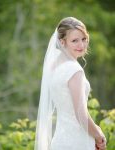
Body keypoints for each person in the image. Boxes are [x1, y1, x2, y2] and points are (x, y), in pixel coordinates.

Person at [34, 17, 107, 150]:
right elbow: (80, 113)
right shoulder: (74, 70)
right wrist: (98, 135)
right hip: (77, 141)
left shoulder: (53, 66)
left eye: (84, 39)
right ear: (62, 42)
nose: (81, 45)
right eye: (75, 40)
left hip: (60, 141)